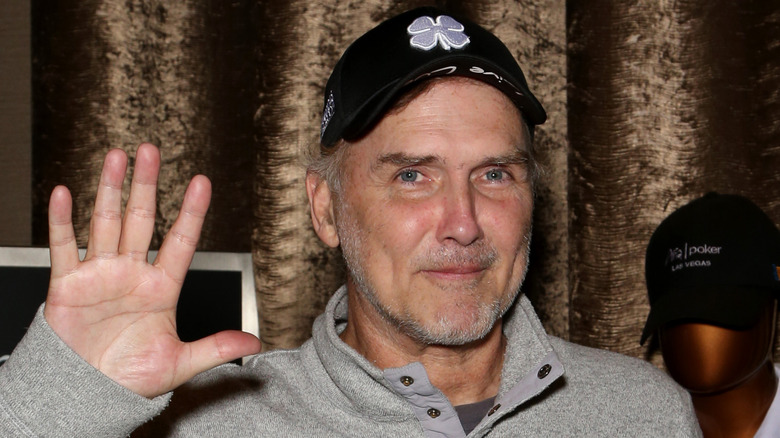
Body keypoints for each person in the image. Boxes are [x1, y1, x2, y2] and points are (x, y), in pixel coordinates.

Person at [0, 7, 700, 437]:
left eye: (494, 174)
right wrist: (55, 406)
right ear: (325, 209)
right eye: (411, 175)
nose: (462, 224)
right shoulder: (202, 424)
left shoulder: (644, 415)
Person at [640, 192, 780, 437]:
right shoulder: (629, 424)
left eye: (725, 308)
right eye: (679, 313)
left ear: (773, 307)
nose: (697, 332)